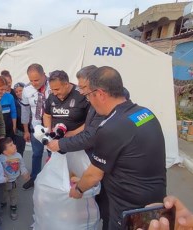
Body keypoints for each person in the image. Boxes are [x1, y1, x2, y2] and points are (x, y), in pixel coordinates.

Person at [68, 66, 167, 229]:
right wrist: (84, 179)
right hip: (155, 202)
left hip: (129, 210)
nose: (90, 102)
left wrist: (78, 189)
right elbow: (128, 158)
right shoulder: (145, 113)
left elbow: (94, 175)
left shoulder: (111, 127)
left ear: (100, 94)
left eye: (88, 96)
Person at [21, 63, 51, 190]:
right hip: (36, 127)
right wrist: (26, 130)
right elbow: (25, 111)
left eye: (37, 80)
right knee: (37, 154)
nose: (34, 83)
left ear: (44, 75)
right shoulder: (27, 90)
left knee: (53, 155)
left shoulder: (53, 86)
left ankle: (52, 180)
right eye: (31, 80)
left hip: (52, 128)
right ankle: (35, 178)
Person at [43, 70, 89, 137]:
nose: (54, 93)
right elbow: (47, 116)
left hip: (77, 141)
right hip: (56, 140)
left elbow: (92, 120)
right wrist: (48, 132)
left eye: (57, 89)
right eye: (52, 89)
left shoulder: (82, 94)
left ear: (66, 84)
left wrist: (74, 133)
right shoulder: (52, 96)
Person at [0, 137, 29, 220]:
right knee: (3, 194)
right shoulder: (0, 158)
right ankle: (2, 203)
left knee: (13, 195)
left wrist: (24, 172)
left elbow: (22, 165)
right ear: (5, 152)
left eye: (13, 144)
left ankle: (13, 207)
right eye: (11, 145)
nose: (14, 145)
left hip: (15, 180)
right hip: (4, 182)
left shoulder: (18, 155)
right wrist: (2, 174)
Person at [12, 82, 27, 156]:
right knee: (19, 149)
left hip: (29, 129)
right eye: (16, 92)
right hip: (19, 130)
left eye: (20, 90)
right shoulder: (15, 102)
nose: (18, 93)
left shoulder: (30, 100)